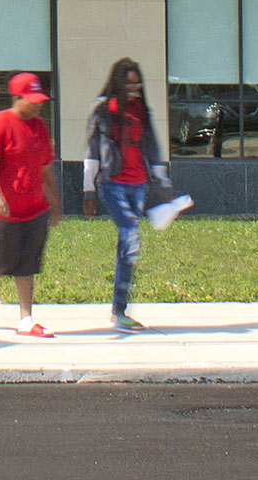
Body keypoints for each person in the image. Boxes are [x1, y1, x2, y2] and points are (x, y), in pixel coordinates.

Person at [0, 71, 59, 338]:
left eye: (40, 100)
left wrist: (56, 201)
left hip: (33, 208)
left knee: (27, 263)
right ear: (16, 98)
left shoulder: (40, 127)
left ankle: (26, 319)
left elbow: (46, 168)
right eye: (32, 100)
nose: (38, 105)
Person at [82, 57, 169, 332]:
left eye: (137, 82)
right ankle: (119, 311)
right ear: (117, 82)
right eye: (128, 82)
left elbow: (152, 144)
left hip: (138, 183)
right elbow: (92, 152)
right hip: (113, 183)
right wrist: (88, 189)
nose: (134, 87)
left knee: (126, 249)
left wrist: (163, 180)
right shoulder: (103, 110)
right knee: (130, 235)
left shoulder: (142, 110)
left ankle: (118, 310)